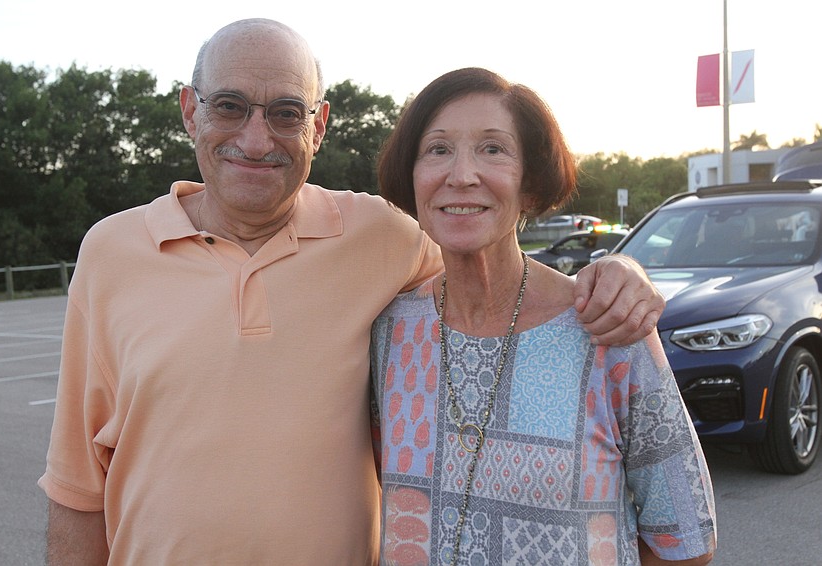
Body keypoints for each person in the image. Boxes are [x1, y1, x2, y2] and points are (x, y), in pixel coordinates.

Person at [38, 20, 665, 565]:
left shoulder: (380, 237)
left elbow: (492, 270)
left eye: (286, 112)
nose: (256, 140)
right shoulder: (111, 252)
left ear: (320, 126)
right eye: (229, 106)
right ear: (189, 111)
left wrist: (618, 273)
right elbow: (77, 486)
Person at [371, 67, 716, 565]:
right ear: (412, 177)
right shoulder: (390, 332)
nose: (461, 174)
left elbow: (686, 540)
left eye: (493, 149)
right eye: (438, 149)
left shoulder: (606, 326)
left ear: (530, 186)